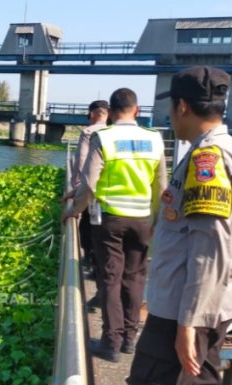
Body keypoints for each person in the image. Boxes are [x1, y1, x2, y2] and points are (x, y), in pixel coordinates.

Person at [126, 66, 232, 385]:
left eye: (171, 107)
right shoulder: (225, 150)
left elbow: (207, 245)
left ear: (182, 105)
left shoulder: (208, 158)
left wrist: (189, 324)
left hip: (183, 309)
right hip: (209, 304)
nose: (169, 116)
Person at [61, 88, 166, 363]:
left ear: (112, 111)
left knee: (110, 279)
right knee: (135, 279)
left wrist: (73, 211)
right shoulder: (154, 139)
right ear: (137, 110)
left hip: (109, 220)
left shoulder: (103, 138)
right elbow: (163, 188)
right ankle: (130, 340)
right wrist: (156, 222)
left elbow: (90, 185)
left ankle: (111, 342)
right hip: (142, 220)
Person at [63, 99, 110, 309]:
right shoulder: (113, 133)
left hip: (91, 192)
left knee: (88, 230)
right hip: (112, 197)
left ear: (92, 114)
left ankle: (91, 262)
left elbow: (82, 163)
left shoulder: (89, 132)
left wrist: (76, 190)